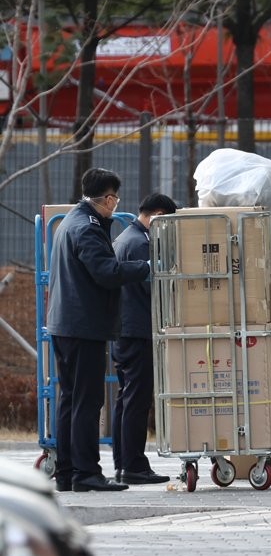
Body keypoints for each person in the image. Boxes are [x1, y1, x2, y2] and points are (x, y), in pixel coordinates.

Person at [46, 168, 150, 492]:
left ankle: (66, 472)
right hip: (83, 326)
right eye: (115, 199)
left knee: (70, 401)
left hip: (67, 324)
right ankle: (86, 472)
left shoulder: (70, 221)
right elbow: (106, 271)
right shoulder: (88, 228)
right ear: (107, 199)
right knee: (87, 403)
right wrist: (147, 267)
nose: (116, 205)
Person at [110, 193, 177, 485]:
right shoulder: (140, 243)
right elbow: (153, 288)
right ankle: (134, 465)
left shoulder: (126, 238)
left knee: (126, 399)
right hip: (136, 330)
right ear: (158, 215)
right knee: (136, 400)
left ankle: (124, 463)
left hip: (125, 328)